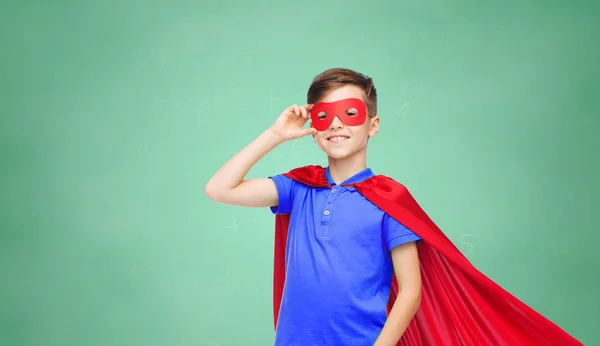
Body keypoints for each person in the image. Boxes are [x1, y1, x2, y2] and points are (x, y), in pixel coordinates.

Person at [205, 68, 582, 346]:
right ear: (314, 128)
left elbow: (411, 291)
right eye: (324, 115)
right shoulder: (297, 189)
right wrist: (275, 135)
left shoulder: (387, 200)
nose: (336, 124)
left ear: (373, 125)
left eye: (350, 113)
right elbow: (219, 188)